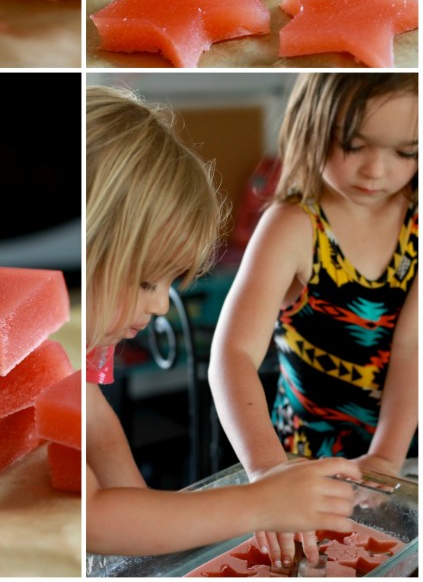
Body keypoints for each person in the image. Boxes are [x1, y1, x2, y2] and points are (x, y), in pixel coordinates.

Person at [86, 84, 360, 560]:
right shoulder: (33, 356)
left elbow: (106, 448)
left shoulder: (83, 353)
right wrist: (258, 504)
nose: (158, 308)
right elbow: (92, 519)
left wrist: (147, 550)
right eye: (147, 281)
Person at [209, 72, 417, 571]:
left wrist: (387, 458)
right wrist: (266, 471)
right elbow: (233, 356)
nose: (377, 170)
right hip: (302, 460)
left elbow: (413, 347)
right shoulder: (291, 226)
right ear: (312, 126)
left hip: (400, 447)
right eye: (353, 144)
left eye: (406, 152)